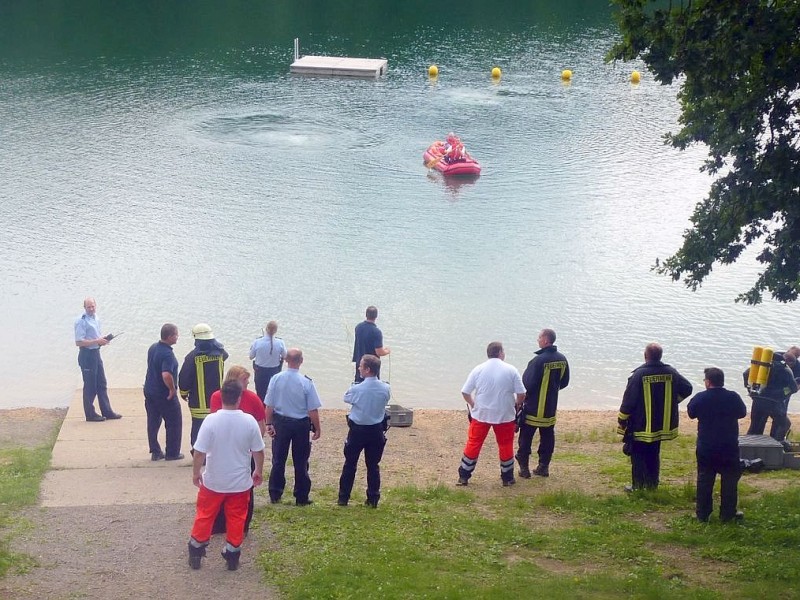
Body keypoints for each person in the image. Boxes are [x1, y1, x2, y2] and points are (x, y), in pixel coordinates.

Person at [187, 380, 265, 571]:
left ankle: (196, 549)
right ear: (239, 398)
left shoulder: (211, 421)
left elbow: (199, 451)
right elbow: (258, 451)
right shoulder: (249, 421)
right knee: (237, 517)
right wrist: (258, 471)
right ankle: (232, 553)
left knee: (205, 515)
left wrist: (196, 472)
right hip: (239, 483)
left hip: (214, 481)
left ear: (221, 397)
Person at [617, 343, 693, 490]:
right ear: (660, 356)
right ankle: (653, 484)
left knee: (637, 454)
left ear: (646, 356)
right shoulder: (671, 372)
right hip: (661, 424)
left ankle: (637, 486)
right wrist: (673, 401)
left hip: (641, 423)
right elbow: (687, 388)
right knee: (654, 453)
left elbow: (629, 400)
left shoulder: (639, 375)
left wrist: (622, 419)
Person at [457, 342, 526, 487]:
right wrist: (517, 404)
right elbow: (521, 393)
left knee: (474, 443)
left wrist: (474, 404)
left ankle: (464, 476)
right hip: (505, 415)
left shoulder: (478, 369)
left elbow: (465, 391)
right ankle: (507, 478)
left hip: (481, 414)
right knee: (505, 444)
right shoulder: (511, 370)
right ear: (500, 353)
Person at [209, 365, 265, 536]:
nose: (247, 383)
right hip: (223, 449)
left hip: (243, 450)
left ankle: (243, 524)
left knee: (246, 486)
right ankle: (220, 524)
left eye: (248, 380)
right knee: (220, 485)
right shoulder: (217, 397)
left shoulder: (253, 398)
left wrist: (254, 445)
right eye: (244, 379)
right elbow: (215, 422)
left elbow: (260, 424)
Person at [687, 367, 747, 523]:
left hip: (707, 445)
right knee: (730, 480)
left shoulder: (701, 398)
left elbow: (691, 413)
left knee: (705, 479)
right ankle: (728, 514)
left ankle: (703, 514)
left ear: (708, 382)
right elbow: (742, 413)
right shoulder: (733, 397)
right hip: (729, 445)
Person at [264, 348, 322, 505]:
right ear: (301, 361)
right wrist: (317, 428)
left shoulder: (276, 379)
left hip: (281, 422)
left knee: (278, 459)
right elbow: (312, 409)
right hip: (300, 424)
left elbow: (269, 405)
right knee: (301, 461)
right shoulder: (306, 382)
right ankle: (301, 496)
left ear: (285, 360)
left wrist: (268, 423)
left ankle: (275, 493)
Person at [337, 354, 391, 508]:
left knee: (350, 464)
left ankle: (343, 498)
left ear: (367, 369)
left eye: (361, 365)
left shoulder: (357, 388)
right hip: (376, 430)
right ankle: (373, 499)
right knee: (373, 466)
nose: (359, 368)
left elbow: (346, 398)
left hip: (358, 431)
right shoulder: (386, 388)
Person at [516, 328, 570, 478]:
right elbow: (564, 382)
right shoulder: (562, 359)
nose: (537, 340)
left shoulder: (537, 361)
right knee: (547, 438)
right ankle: (543, 467)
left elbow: (526, 384)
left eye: (539, 337)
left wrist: (520, 402)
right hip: (550, 409)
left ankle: (524, 469)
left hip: (533, 409)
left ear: (546, 340)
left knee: (525, 438)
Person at [179, 323, 229, 448]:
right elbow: (225, 354)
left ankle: (197, 452)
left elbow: (184, 377)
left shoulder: (192, 357)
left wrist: (183, 393)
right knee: (216, 428)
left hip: (198, 402)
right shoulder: (220, 353)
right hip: (217, 401)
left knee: (198, 428)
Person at [74, 297, 122, 422]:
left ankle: (107, 411)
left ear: (96, 306)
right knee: (90, 386)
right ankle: (90, 414)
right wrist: (97, 341)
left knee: (102, 383)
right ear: (84, 308)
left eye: (93, 306)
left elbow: (95, 337)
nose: (91, 309)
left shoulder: (96, 318)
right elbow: (78, 342)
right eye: (88, 307)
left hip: (96, 353)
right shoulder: (81, 321)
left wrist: (103, 341)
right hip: (86, 355)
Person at [143, 323, 183, 461]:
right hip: (163, 394)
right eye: (176, 334)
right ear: (170, 336)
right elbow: (166, 374)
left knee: (153, 421)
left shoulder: (153, 348)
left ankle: (155, 451)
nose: (178, 337)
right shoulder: (167, 354)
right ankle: (172, 453)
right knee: (174, 422)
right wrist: (172, 389)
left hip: (149, 390)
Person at [743, 352, 797, 442]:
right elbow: (794, 388)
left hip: (758, 401)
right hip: (774, 403)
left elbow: (745, 374)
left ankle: (749, 448)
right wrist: (782, 393)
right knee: (784, 424)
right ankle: (777, 444)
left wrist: (749, 389)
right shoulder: (785, 369)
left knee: (755, 427)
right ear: (787, 361)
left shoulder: (762, 366)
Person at [249, 320, 287, 402]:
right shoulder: (280, 342)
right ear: (276, 331)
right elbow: (285, 356)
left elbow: (251, 356)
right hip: (274, 371)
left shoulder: (257, 342)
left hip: (260, 372)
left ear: (266, 329)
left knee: (260, 394)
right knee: (273, 394)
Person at [353, 306, 390, 383]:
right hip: (372, 366)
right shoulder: (376, 332)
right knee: (372, 386)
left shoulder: (358, 327)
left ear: (366, 314)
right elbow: (379, 352)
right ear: (376, 316)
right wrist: (387, 351)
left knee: (358, 384)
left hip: (360, 362)